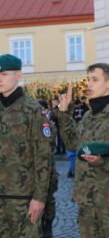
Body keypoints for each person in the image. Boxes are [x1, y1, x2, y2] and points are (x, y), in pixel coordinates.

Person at [58, 63, 109, 237]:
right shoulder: (88, 116)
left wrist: (101, 161)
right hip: (87, 202)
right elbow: (73, 145)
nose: (89, 84)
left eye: (94, 79)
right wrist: (63, 113)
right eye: (88, 79)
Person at [0, 54, 53, 238]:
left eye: (4, 74)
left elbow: (44, 157)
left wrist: (39, 198)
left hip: (23, 199)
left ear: (18, 76)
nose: (0, 78)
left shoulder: (33, 110)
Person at [38, 99, 58, 237]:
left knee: (49, 198)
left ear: (45, 110)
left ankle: (48, 225)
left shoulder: (48, 125)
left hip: (48, 168)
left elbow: (49, 144)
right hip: (33, 169)